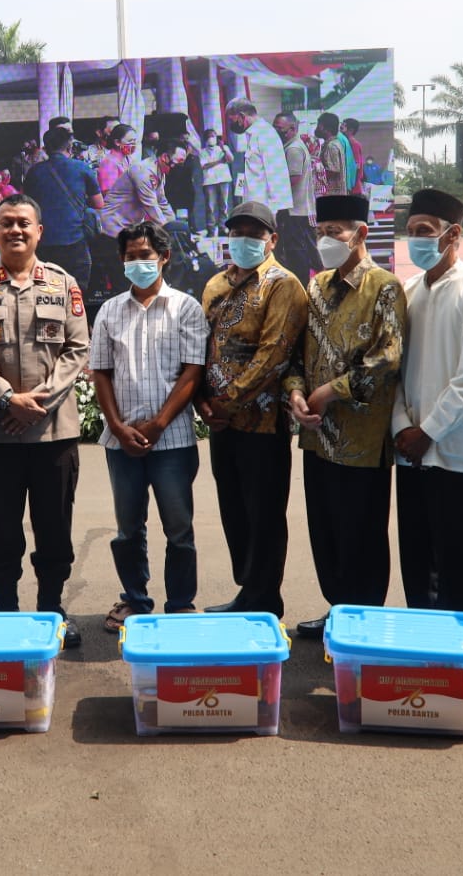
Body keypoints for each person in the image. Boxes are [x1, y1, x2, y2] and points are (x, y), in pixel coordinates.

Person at [0, 194, 90, 648]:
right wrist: (7, 399)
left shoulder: (62, 283)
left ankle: (51, 609)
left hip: (53, 434)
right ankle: (6, 610)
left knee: (55, 529)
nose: (15, 230)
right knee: (2, 530)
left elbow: (77, 349)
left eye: (24, 224)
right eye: (7, 223)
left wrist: (39, 403)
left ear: (39, 231)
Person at [284, 194, 406, 638]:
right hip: (318, 437)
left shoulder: (384, 287)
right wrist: (297, 393)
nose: (327, 238)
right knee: (326, 528)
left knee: (362, 531)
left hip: (361, 438)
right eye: (321, 230)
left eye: (335, 230)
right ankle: (338, 609)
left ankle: (364, 619)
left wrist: (331, 391)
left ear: (361, 233)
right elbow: (297, 354)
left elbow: (387, 358)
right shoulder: (316, 287)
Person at [91, 221, 209, 631]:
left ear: (164, 257)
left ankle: (180, 603)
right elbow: (100, 373)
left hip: (172, 440)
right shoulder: (109, 310)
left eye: (145, 255)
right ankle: (135, 600)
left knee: (178, 527)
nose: (138, 262)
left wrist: (159, 424)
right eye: (130, 256)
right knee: (127, 528)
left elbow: (193, 371)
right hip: (121, 440)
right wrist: (118, 427)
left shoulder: (185, 308)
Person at [196, 201, 308, 618]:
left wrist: (227, 400)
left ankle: (265, 597)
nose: (243, 240)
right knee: (234, 508)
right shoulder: (215, 285)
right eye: (237, 232)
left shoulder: (283, 285)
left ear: (272, 240)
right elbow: (201, 348)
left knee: (263, 513)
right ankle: (249, 592)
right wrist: (203, 402)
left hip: (261, 423)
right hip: (221, 423)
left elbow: (274, 354)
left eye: (254, 233)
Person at [391, 189, 463, 613]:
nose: (415, 239)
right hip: (411, 451)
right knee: (415, 559)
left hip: (459, 452)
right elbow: (395, 369)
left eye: (425, 231)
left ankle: (455, 658)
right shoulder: (409, 289)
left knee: (455, 561)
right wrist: (403, 427)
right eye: (411, 231)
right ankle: (419, 653)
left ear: (452, 234)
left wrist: (428, 431)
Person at [22, 124, 103, 285]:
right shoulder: (82, 168)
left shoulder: (34, 172)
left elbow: (26, 205)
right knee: (76, 295)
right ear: (70, 147)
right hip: (75, 242)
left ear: (45, 148)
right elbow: (98, 203)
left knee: (47, 293)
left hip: (44, 243)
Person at [272, 111, 323, 284]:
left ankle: (301, 286)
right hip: (299, 209)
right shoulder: (292, 145)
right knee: (303, 250)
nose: (277, 132)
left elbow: (293, 179)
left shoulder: (293, 149)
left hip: (294, 210)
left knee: (296, 253)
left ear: (292, 128)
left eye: (280, 129)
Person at [226, 98, 291, 219]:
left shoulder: (265, 134)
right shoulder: (253, 134)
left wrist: (274, 214)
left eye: (232, 120)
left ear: (241, 116)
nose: (231, 125)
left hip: (265, 211)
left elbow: (276, 175)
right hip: (255, 209)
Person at [198, 128, 234, 236]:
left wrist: (223, 148)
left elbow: (230, 159)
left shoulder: (223, 148)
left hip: (224, 179)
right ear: (205, 139)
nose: (211, 139)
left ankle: (223, 227)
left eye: (213, 136)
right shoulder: (202, 152)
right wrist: (219, 161)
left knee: (224, 205)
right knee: (210, 206)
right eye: (209, 136)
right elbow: (204, 166)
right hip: (209, 181)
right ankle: (211, 229)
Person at [95, 123, 139, 197]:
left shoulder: (128, 159)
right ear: (117, 142)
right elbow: (109, 194)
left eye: (135, 141)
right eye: (130, 141)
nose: (133, 144)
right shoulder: (108, 163)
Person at [316, 112, 347, 196]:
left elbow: (332, 171)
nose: (317, 128)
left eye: (319, 125)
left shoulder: (331, 146)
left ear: (326, 128)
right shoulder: (333, 143)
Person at [341, 118, 366, 195]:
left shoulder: (353, 144)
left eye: (343, 126)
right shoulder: (344, 142)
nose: (340, 128)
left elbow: (356, 166)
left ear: (351, 130)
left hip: (352, 189)